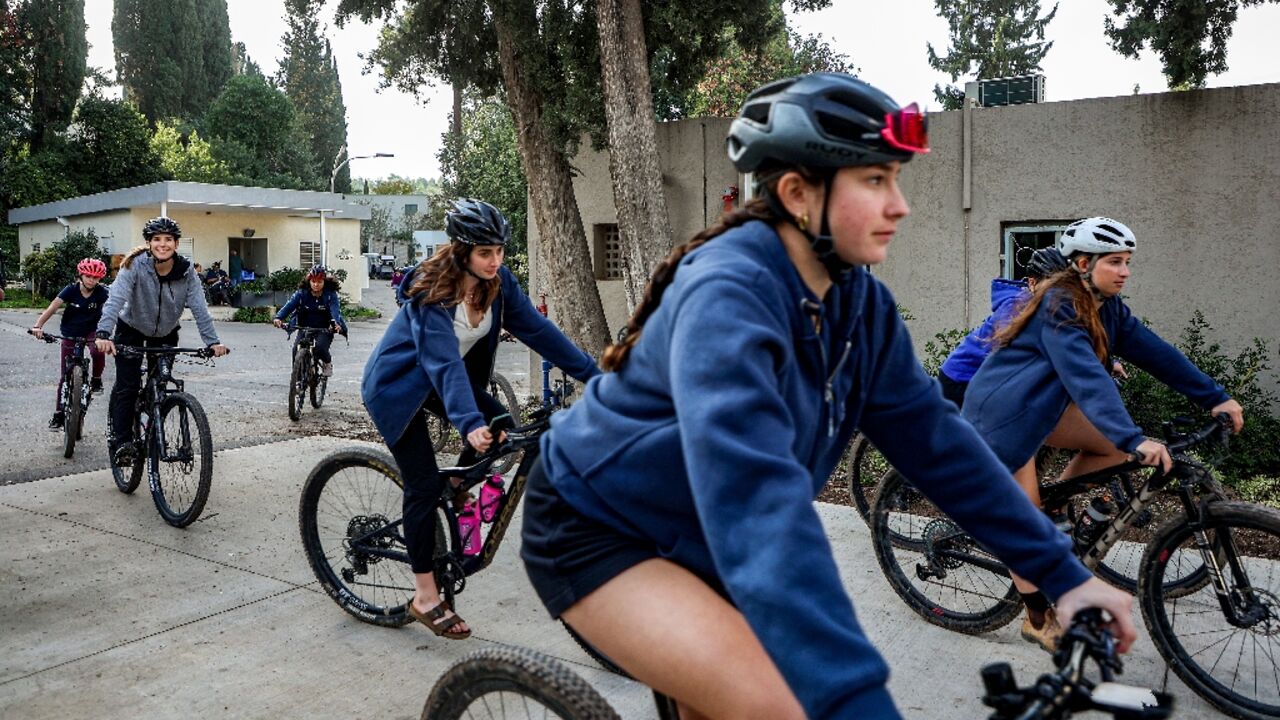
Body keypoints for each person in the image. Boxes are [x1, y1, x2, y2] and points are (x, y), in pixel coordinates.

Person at [518, 73, 1136, 720]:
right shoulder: (728, 296)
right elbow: (761, 506)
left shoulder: (857, 305)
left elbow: (941, 445)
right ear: (798, 194)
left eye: (895, 180)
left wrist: (1063, 576)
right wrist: (855, 698)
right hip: (603, 529)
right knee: (779, 702)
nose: (900, 205)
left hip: (706, 530)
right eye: (875, 181)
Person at [963, 216, 1245, 651]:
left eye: (1128, 261)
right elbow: (1085, 380)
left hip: (1044, 408)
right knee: (1028, 530)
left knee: (1117, 451)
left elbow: (1155, 353)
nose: (1125, 271)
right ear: (1081, 263)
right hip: (1004, 419)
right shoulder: (1059, 304)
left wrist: (1215, 397)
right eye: (1115, 261)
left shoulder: (1106, 305)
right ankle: (1037, 618)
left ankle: (1056, 501)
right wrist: (1133, 435)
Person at [361, 198, 600, 640]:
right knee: (420, 485)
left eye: (500, 251)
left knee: (505, 426)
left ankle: (455, 488)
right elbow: (443, 363)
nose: (495, 261)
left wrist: (594, 374)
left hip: (444, 386)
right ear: (461, 250)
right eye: (485, 253)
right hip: (398, 389)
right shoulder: (430, 293)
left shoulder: (499, 283)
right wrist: (468, 420)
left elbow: (538, 331)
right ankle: (425, 596)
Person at [96, 217, 228, 465]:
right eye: (157, 239)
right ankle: (122, 442)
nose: (163, 244)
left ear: (176, 244)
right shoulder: (135, 265)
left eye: (168, 239)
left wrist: (213, 342)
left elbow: (200, 308)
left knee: (161, 382)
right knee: (129, 385)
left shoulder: (187, 272)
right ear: (149, 243)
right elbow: (115, 300)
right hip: (131, 329)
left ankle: (153, 416)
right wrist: (103, 333)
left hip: (166, 332)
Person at [937, 248, 1068, 408]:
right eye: (1053, 286)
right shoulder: (1016, 307)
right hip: (960, 378)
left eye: (1066, 287)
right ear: (1032, 283)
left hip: (982, 378)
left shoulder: (1048, 309)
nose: (1060, 294)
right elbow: (1007, 352)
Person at [31, 258, 110, 428]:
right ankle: (59, 413)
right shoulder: (70, 290)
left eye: (96, 278)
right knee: (65, 374)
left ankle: (96, 379)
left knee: (97, 350)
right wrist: (38, 326)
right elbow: (52, 308)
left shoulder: (102, 292)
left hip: (92, 331)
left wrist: (108, 335)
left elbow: (112, 311)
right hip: (71, 331)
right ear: (81, 275)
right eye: (88, 276)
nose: (92, 280)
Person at [272, 265, 347, 377]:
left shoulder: (330, 295)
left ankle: (327, 363)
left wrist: (335, 323)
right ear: (309, 281)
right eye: (313, 281)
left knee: (320, 348)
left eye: (319, 282)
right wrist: (278, 317)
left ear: (324, 282)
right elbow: (289, 305)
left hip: (325, 328)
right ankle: (297, 378)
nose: (316, 285)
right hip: (305, 326)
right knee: (295, 350)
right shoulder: (302, 293)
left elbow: (335, 310)